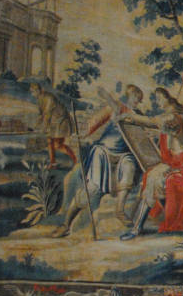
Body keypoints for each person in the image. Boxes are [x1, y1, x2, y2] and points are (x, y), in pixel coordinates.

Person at [54, 85, 145, 237]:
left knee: (129, 166)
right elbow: (94, 123)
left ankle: (120, 209)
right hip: (103, 152)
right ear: (130, 95)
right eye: (136, 97)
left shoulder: (137, 115)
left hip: (124, 154)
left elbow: (140, 136)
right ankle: (66, 225)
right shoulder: (115, 108)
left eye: (139, 99)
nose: (138, 101)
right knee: (92, 190)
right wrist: (82, 134)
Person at [120, 88, 183, 240]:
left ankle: (138, 228)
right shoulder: (175, 116)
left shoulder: (176, 118)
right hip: (174, 163)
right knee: (151, 176)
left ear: (165, 98)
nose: (158, 102)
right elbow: (158, 128)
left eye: (158, 99)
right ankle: (137, 228)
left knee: (157, 180)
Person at [29, 81, 77, 168]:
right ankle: (53, 163)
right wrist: (35, 127)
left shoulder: (48, 98)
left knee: (58, 145)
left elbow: (47, 114)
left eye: (32, 92)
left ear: (38, 90)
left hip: (61, 122)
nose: (32, 94)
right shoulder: (40, 100)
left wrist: (43, 129)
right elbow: (41, 115)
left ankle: (76, 160)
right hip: (54, 123)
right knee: (49, 142)